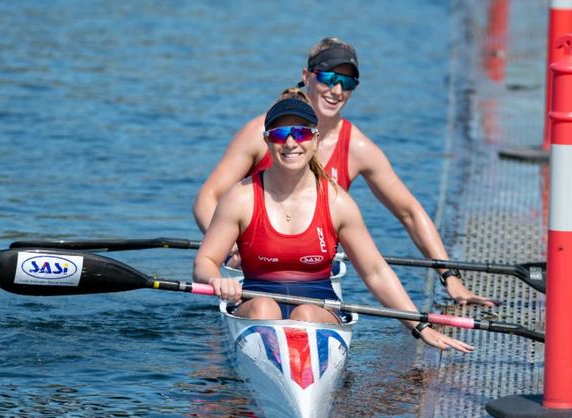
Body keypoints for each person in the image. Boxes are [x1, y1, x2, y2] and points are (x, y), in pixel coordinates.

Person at [193, 37, 496, 307]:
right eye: (327, 77)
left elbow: (410, 213)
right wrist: (231, 247)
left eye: (347, 83)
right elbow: (209, 197)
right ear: (306, 77)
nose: (336, 90)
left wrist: (450, 277)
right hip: (256, 265)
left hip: (315, 266)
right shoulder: (266, 133)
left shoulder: (358, 148)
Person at [193, 91, 474, 353]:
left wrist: (418, 325)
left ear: (315, 140)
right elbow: (205, 261)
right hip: (255, 304)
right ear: (267, 141)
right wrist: (216, 280)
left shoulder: (338, 203)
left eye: (301, 133)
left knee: (305, 315)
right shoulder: (240, 198)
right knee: (265, 308)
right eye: (280, 134)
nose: (291, 142)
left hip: (318, 307)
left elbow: (375, 271)